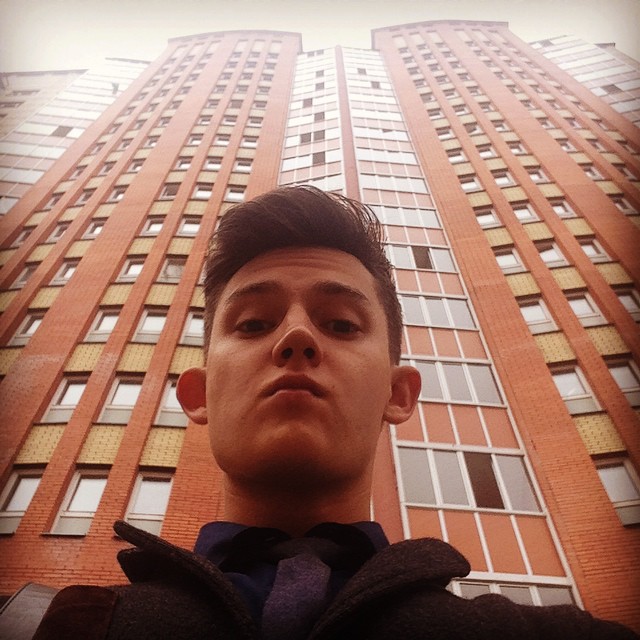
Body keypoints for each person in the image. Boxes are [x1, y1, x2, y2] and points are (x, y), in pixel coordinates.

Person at [27, 186, 637, 639]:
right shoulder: (40, 624)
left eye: (341, 324)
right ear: (199, 396)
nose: (296, 337)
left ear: (399, 394)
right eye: (254, 323)